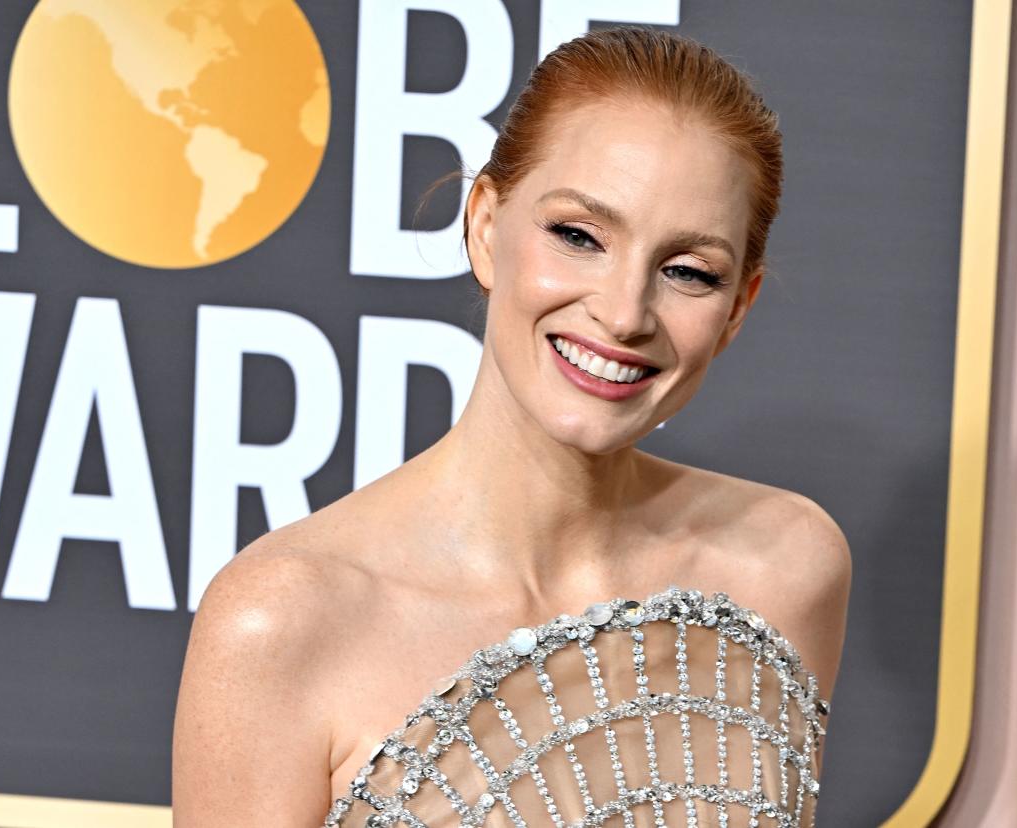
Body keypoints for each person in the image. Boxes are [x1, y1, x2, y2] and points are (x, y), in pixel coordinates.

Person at [172, 25, 851, 828]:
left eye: (688, 272)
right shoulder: (283, 622)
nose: (624, 312)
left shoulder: (786, 569)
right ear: (486, 226)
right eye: (578, 236)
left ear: (739, 306)